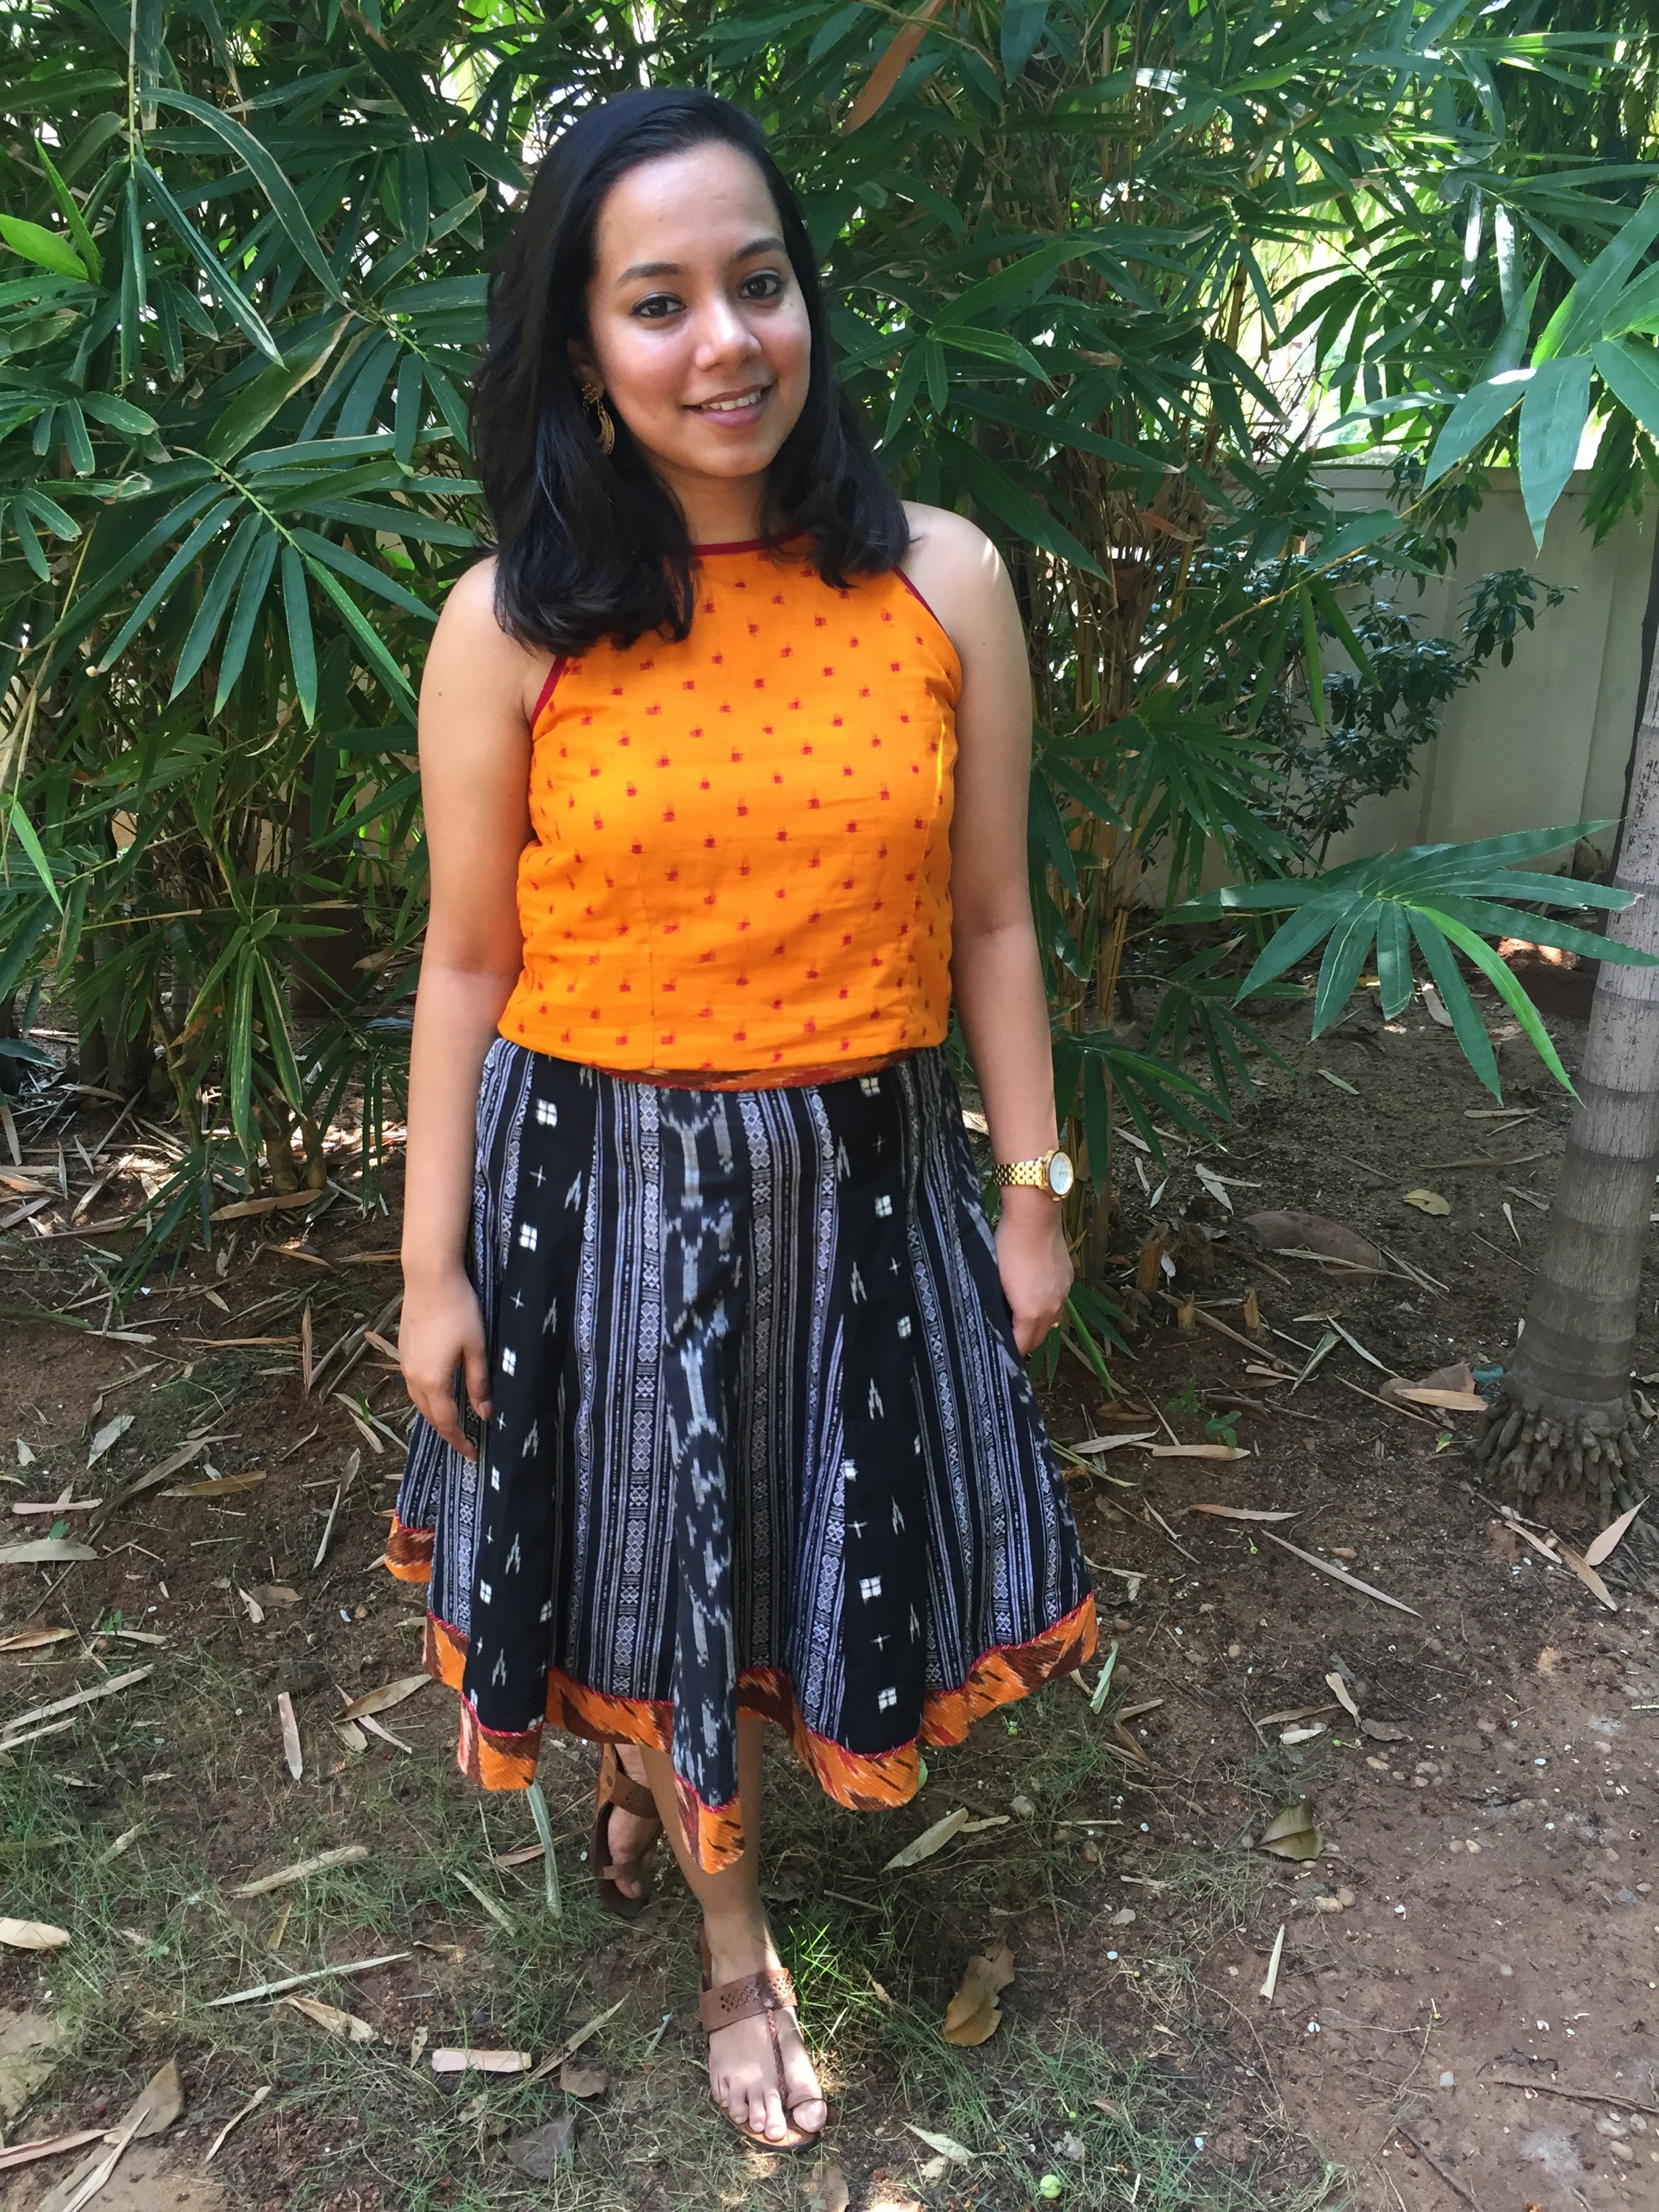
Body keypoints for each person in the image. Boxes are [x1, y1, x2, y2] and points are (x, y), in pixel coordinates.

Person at [389, 84, 1097, 2154]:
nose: (725, 343)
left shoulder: (944, 583)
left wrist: (1031, 1190)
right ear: (580, 349)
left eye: (758, 283)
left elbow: (990, 919)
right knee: (668, 1552)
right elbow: (464, 965)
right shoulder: (509, 628)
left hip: (859, 1182)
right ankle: (732, 1951)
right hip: (593, 1188)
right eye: (658, 301)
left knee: (767, 1552)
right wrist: (427, 1268)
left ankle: (646, 1769)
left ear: (808, 303)